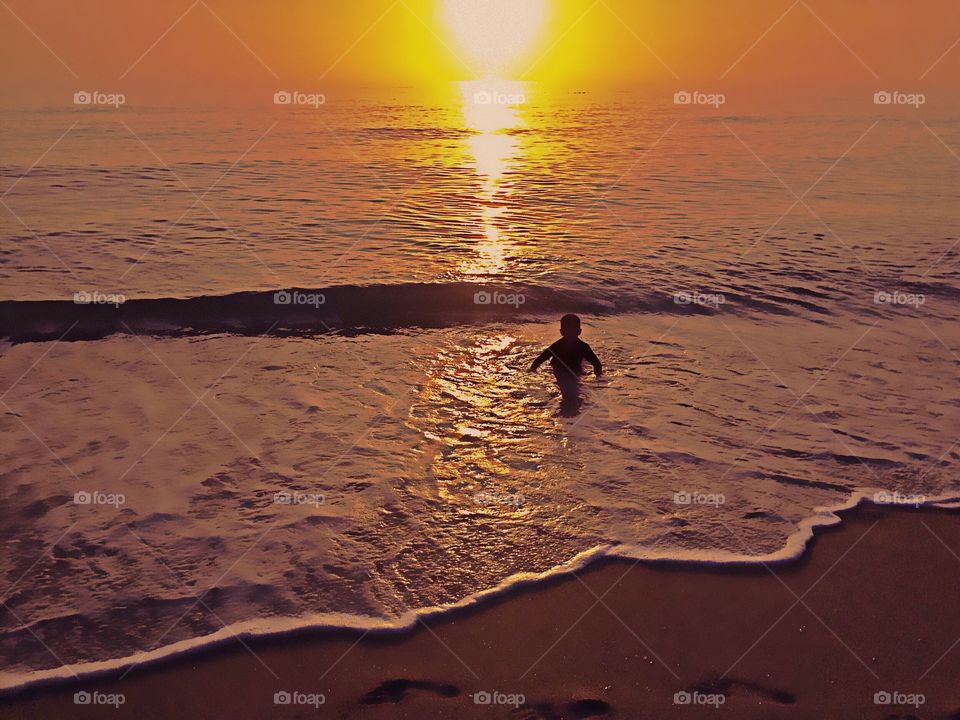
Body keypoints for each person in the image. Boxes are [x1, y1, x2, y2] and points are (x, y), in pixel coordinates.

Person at [529, 314, 602, 378]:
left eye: (572, 331)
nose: (570, 334)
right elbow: (597, 364)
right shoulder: (583, 347)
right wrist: (598, 377)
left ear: (561, 332)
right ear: (579, 331)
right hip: (574, 372)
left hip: (559, 372)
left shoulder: (556, 346)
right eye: (569, 331)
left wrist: (532, 370)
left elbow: (540, 359)